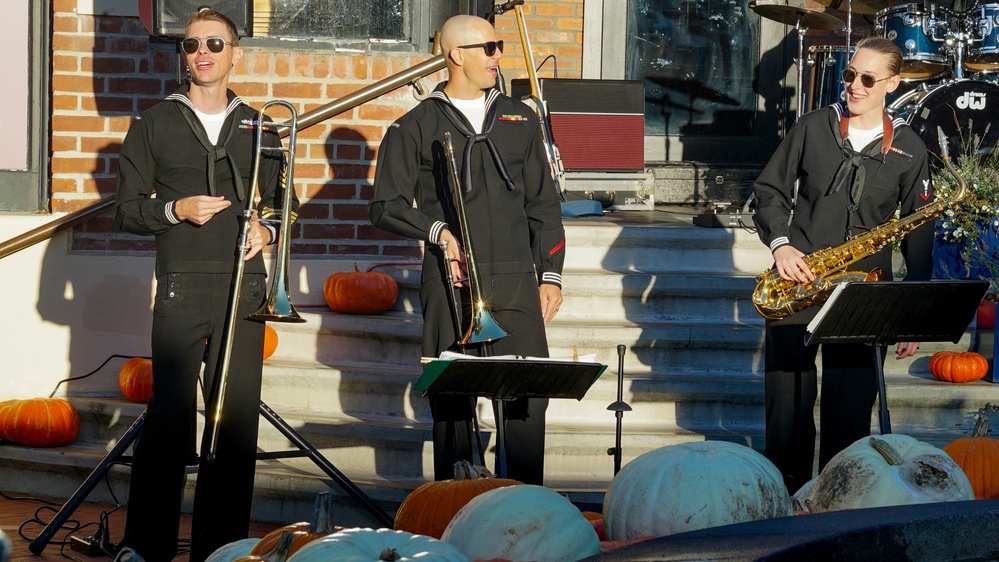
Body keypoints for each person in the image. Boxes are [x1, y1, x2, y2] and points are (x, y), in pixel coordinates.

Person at [113, 8, 295, 561]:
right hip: (181, 285)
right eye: (191, 46)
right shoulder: (153, 123)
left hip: (245, 286)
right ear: (183, 56)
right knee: (169, 418)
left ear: (235, 53)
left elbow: (287, 202)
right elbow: (126, 210)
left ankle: (222, 550)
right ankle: (145, 547)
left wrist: (267, 229)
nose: (202, 53)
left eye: (215, 43)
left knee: (235, 423)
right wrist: (176, 209)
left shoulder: (261, 123)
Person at [368, 14, 565, 486]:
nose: (499, 56)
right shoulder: (413, 125)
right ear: (457, 55)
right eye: (490, 47)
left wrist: (551, 273)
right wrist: (436, 231)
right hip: (449, 279)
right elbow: (385, 205)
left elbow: (544, 203)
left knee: (524, 405)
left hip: (517, 279)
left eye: (499, 47)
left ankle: (524, 507)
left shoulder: (522, 118)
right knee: (452, 408)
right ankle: (455, 509)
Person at [752, 36, 934, 494]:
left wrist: (912, 309)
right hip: (798, 278)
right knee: (786, 405)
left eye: (868, 78)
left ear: (892, 84)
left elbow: (917, 230)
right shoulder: (812, 127)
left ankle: (837, 502)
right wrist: (780, 246)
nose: (854, 84)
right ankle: (784, 498)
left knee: (849, 412)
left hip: (865, 293)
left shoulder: (910, 147)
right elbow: (769, 192)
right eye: (850, 74)